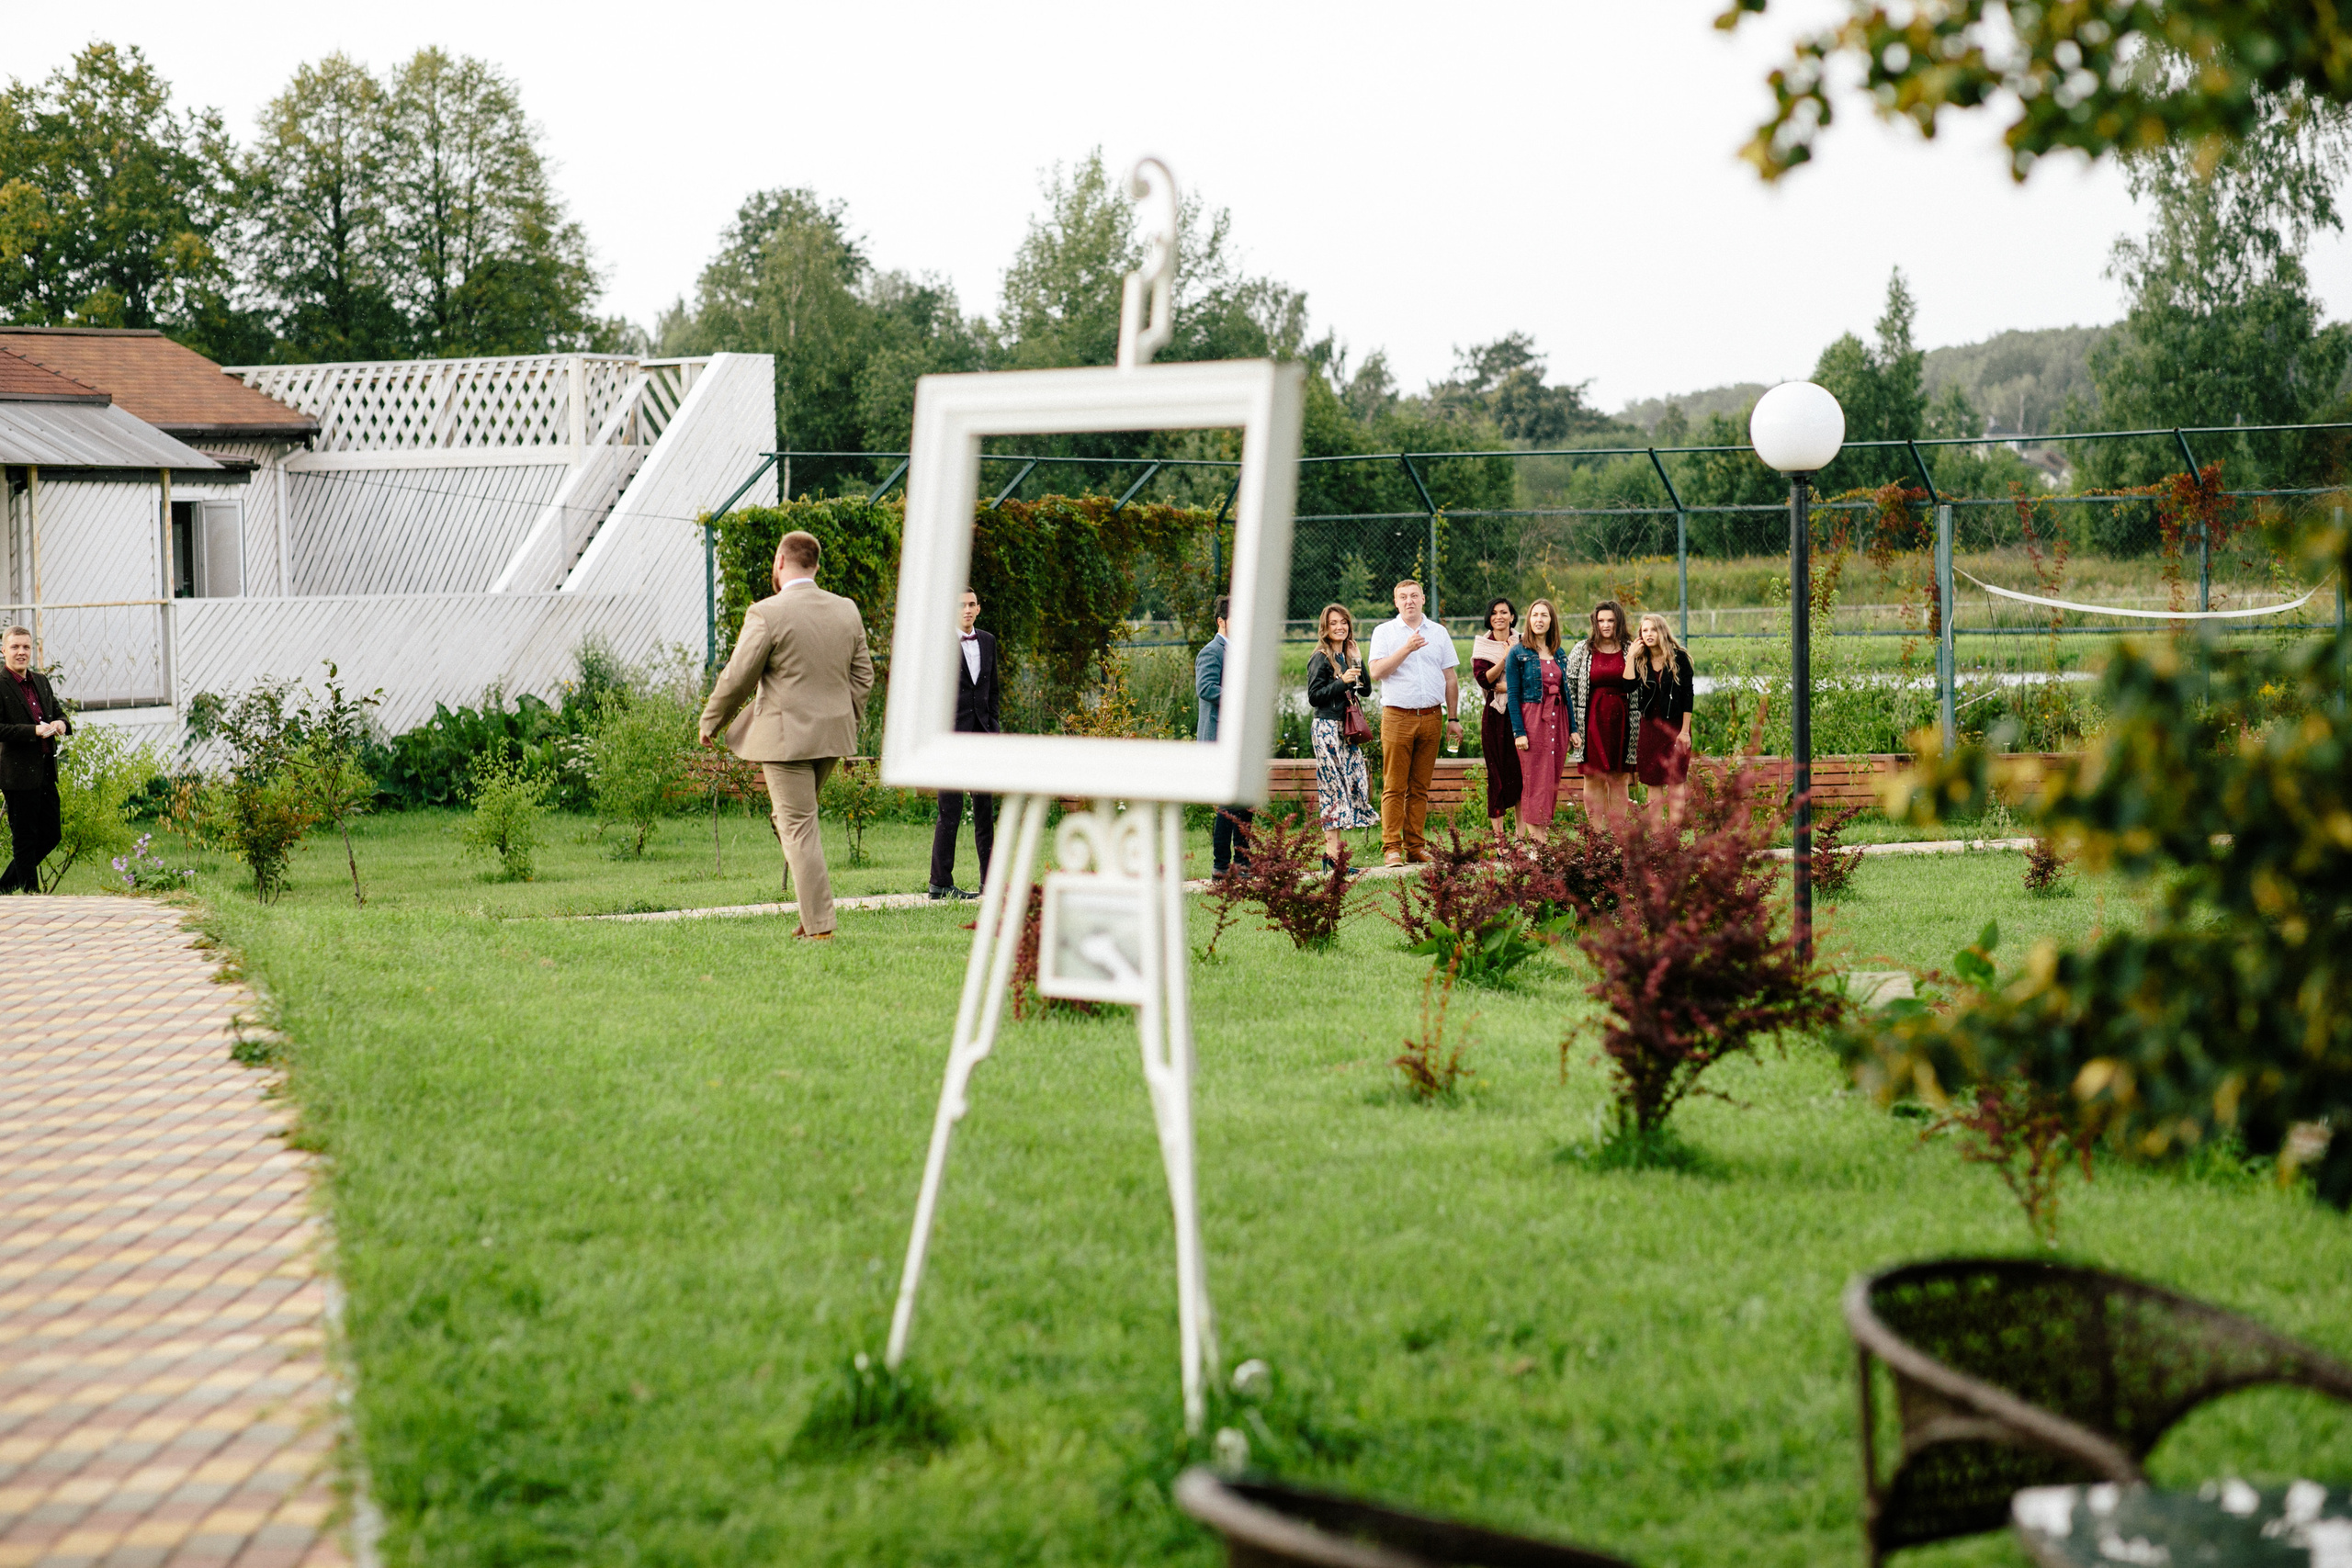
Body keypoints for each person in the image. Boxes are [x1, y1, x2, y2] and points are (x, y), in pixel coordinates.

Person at [698, 530, 875, 941]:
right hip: (832, 738)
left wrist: (711, 721)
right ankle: (811, 916)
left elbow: (738, 676)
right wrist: (845, 718)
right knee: (791, 822)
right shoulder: (846, 609)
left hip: (786, 741)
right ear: (816, 565)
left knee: (797, 827)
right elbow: (863, 676)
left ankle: (821, 927)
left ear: (780, 562)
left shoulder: (767, 612)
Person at [1367, 579, 1460, 865]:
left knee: (1420, 788)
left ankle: (1415, 847)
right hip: (1397, 717)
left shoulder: (1439, 632)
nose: (1409, 601)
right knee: (1394, 786)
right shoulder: (1384, 632)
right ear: (1396, 602)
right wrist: (1406, 648)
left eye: (1414, 596)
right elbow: (1376, 672)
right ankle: (1391, 847)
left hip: (1432, 716)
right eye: (1403, 597)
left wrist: (1453, 718)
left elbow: (1450, 678)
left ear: (1422, 599)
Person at [929, 588, 999, 900]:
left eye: (972, 605)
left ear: (979, 608)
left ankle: (990, 882)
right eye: (961, 605)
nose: (967, 610)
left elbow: (992, 691)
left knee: (984, 810)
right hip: (950, 738)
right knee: (950, 809)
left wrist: (994, 729)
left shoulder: (988, 641)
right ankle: (940, 883)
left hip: (982, 737)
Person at [1303, 604, 1378, 872]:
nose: (1339, 627)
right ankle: (1332, 857)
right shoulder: (1320, 657)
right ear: (1325, 627)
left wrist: (1357, 660)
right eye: (1334, 623)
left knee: (1352, 783)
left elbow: (1365, 690)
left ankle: (1332, 858)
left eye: (1343, 622)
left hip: (1347, 732)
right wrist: (1342, 681)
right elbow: (1314, 696)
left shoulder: (1346, 656)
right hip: (1327, 728)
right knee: (1332, 787)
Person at [0, 626, 69, 894]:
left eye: (26, 647)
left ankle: (4, 888)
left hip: (46, 770)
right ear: (3, 650)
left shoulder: (40, 681)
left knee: (52, 834)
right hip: (17, 774)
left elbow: (59, 713)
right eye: (15, 647)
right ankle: (31, 895)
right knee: (25, 839)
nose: (21, 652)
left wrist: (61, 724)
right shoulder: (1, 684)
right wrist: (34, 731)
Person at [1564, 600, 1641, 830]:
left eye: (1611, 620)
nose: (1605, 625)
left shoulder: (1631, 649)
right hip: (1591, 721)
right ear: (1594, 623)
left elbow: (1641, 684)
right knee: (1593, 776)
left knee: (1619, 777)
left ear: (1619, 622)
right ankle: (1596, 834)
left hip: (1624, 722)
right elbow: (1569, 688)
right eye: (1601, 621)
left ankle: (1618, 834)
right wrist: (1573, 726)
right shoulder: (1582, 650)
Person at [1505, 599, 1574, 840]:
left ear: (1551, 620)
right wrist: (1519, 732)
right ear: (1528, 620)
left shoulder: (1559, 653)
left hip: (1558, 720)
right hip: (1532, 720)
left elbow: (1567, 694)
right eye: (1535, 615)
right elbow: (1513, 695)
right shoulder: (1517, 652)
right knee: (1534, 781)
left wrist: (1573, 728)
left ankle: (1541, 840)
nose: (1539, 620)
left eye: (1544, 615)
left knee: (1550, 781)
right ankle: (1537, 845)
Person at [1195, 596, 1252, 874]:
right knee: (1228, 805)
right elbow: (1206, 688)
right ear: (1221, 621)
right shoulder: (1211, 651)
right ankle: (1220, 866)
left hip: (1240, 737)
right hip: (1219, 737)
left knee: (1245, 803)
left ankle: (1243, 863)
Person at [1634, 613, 1696, 818]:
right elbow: (1627, 686)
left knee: (1676, 780)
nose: (1649, 634)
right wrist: (1630, 657)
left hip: (1675, 728)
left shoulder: (1679, 658)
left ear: (1662, 631)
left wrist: (1684, 731)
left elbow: (1688, 695)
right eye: (1645, 630)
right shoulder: (1640, 660)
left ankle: (1674, 834)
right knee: (1653, 782)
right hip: (1650, 727)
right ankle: (1657, 835)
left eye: (1653, 629)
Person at [1469, 597, 1523, 836]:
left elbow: (1533, 677)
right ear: (1488, 618)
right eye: (1494, 613)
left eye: (1504, 612)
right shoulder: (1483, 645)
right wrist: (1505, 657)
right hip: (1495, 716)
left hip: (1522, 714)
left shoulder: (1525, 641)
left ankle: (1522, 838)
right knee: (1497, 775)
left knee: (1521, 775)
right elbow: (1485, 680)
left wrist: (1509, 688)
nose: (1499, 617)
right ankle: (1500, 841)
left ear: (1512, 616)